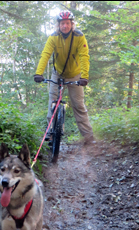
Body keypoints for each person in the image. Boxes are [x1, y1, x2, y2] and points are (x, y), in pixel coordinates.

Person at [34, 10, 96, 145]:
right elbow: (45, 54)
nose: (65, 26)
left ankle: (88, 137)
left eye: (67, 23)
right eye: (62, 23)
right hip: (58, 73)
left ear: (71, 24)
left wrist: (84, 77)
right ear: (59, 25)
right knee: (52, 103)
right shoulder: (53, 37)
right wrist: (39, 73)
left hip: (75, 74)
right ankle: (50, 132)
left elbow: (84, 57)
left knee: (79, 105)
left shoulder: (79, 36)